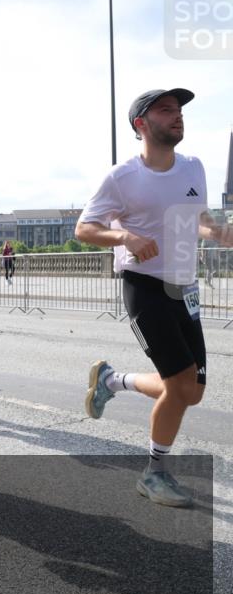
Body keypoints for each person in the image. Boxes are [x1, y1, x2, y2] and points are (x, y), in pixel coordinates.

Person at [77, 87, 233, 507]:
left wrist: (218, 229)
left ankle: (113, 380)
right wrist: (123, 234)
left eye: (179, 110)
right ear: (141, 124)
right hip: (144, 286)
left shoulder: (194, 167)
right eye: (166, 110)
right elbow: (85, 229)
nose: (177, 115)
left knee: (190, 390)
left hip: (186, 289)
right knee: (180, 387)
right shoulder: (122, 177)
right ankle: (154, 473)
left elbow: (197, 217)